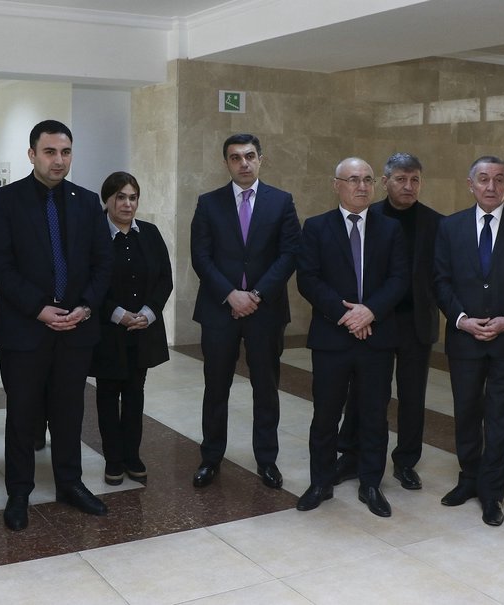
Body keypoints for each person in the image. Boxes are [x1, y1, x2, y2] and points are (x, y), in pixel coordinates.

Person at [0, 119, 112, 531]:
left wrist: (86, 306)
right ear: (32, 154)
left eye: (66, 152)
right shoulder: (5, 200)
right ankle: (19, 491)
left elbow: (103, 262)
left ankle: (69, 484)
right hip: (25, 327)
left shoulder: (87, 202)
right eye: (50, 152)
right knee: (23, 413)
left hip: (76, 326)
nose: (59, 160)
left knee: (69, 411)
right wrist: (38, 308)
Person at [296, 157, 407, 517]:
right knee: (325, 414)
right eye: (353, 179)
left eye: (368, 180)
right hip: (332, 338)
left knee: (375, 414)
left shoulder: (390, 229)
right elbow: (308, 279)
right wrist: (347, 315)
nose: (362, 186)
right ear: (336, 185)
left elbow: (399, 279)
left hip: (377, 336)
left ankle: (371, 483)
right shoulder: (316, 227)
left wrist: (370, 310)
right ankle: (320, 482)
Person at [434, 156, 504, 527]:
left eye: (499, 179)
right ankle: (468, 478)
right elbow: (440, 281)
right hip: (464, 339)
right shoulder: (449, 227)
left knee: (500, 417)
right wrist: (461, 320)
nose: (491, 186)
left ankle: (491, 491)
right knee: (466, 412)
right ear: (471, 184)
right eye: (483, 179)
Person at [190, 133, 300, 490]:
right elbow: (200, 256)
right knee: (215, 386)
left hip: (265, 311)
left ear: (260, 159)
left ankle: (267, 460)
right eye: (235, 157)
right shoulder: (208, 203)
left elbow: (289, 255)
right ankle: (210, 458)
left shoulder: (281, 202)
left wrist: (255, 295)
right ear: (226, 163)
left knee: (266, 387)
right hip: (219, 310)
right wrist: (230, 295)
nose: (244, 163)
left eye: (250, 156)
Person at [335, 153, 442, 490]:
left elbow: (442, 275)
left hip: (416, 322)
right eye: (401, 179)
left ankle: (406, 461)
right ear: (385, 182)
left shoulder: (437, 223)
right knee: (364, 393)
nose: (408, 186)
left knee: (412, 396)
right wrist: (361, 313)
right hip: (376, 320)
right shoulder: (369, 216)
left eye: (415, 180)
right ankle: (351, 454)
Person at [89, 172, 173, 486]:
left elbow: (164, 278)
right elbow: (88, 282)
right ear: (107, 200)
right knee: (108, 394)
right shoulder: (94, 234)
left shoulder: (149, 233)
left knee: (136, 393)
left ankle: (132, 455)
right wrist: (118, 314)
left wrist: (148, 313)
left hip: (142, 330)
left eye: (132, 197)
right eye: (120, 197)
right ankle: (113, 459)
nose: (127, 204)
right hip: (107, 331)